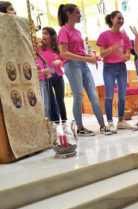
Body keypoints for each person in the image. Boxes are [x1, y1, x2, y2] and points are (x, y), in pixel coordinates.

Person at [58, 3, 112, 136]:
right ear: (68, 14)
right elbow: (64, 53)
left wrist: (91, 57)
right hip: (72, 65)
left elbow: (79, 52)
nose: (80, 15)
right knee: (78, 96)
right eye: (77, 12)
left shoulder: (77, 31)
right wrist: (86, 59)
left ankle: (102, 125)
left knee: (93, 95)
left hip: (82, 65)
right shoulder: (64, 30)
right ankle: (80, 128)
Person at [97, 10, 133, 133]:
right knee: (109, 96)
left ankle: (121, 121)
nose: (121, 21)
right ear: (112, 20)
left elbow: (128, 57)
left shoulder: (125, 37)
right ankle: (110, 122)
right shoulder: (104, 35)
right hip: (108, 68)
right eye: (119, 18)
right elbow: (101, 54)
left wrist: (119, 54)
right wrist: (112, 48)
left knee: (122, 96)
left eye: (122, 18)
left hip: (121, 68)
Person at [40, 27, 68, 122]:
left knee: (60, 101)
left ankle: (64, 122)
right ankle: (53, 123)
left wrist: (60, 61)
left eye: (46, 34)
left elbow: (65, 63)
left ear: (52, 36)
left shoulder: (58, 49)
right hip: (46, 78)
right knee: (49, 102)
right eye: (42, 33)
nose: (43, 36)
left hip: (58, 77)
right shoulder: (40, 49)